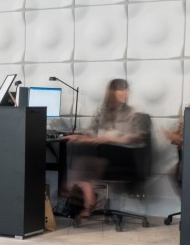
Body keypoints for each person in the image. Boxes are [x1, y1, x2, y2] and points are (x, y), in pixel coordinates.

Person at [59, 78, 145, 222]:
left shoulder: (131, 112)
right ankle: (89, 196)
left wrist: (108, 139)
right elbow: (91, 133)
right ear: (112, 92)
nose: (126, 93)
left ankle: (77, 192)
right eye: (122, 90)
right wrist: (78, 137)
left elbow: (136, 138)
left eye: (127, 90)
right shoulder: (102, 111)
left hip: (124, 154)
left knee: (87, 149)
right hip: (102, 153)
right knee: (76, 145)